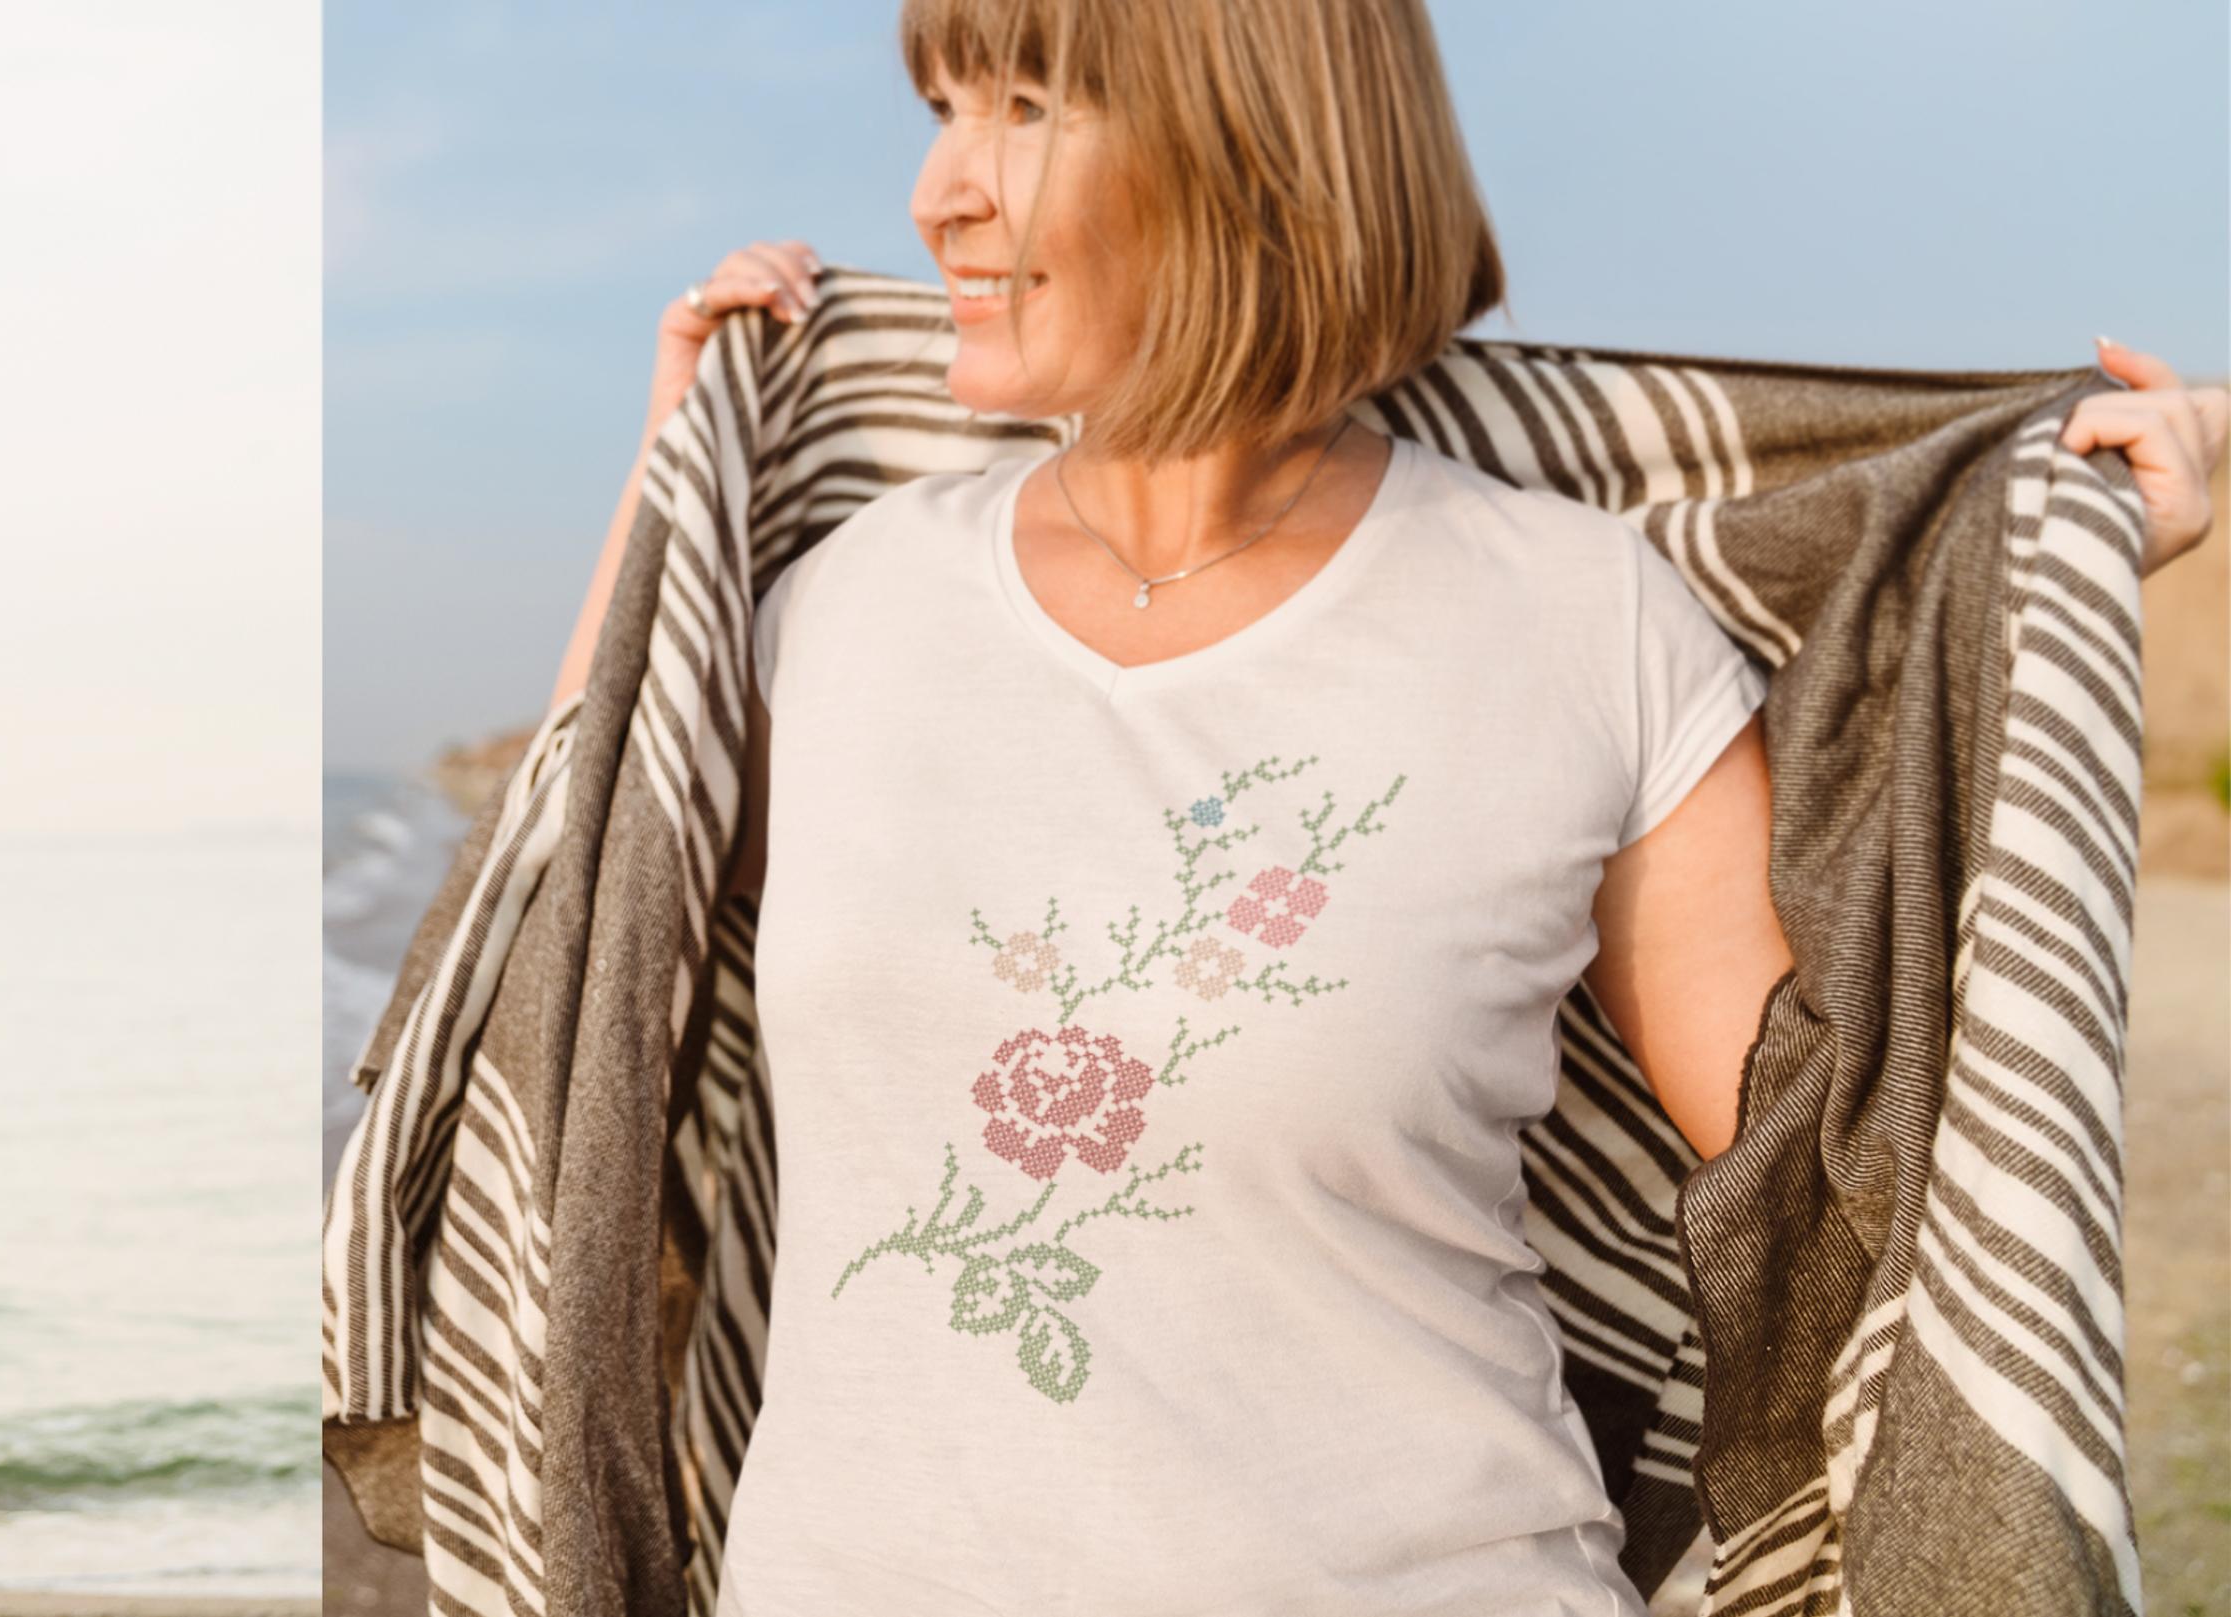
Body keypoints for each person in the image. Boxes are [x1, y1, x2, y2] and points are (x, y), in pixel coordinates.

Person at [521, 3, 2224, 1611]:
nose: (938, 191)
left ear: (1247, 143)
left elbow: (1830, 1181)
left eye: (1026, 108)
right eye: (943, 107)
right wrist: (683, 465)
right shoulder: (839, 614)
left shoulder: (1581, 621)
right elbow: (555, 938)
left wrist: (2038, 592)